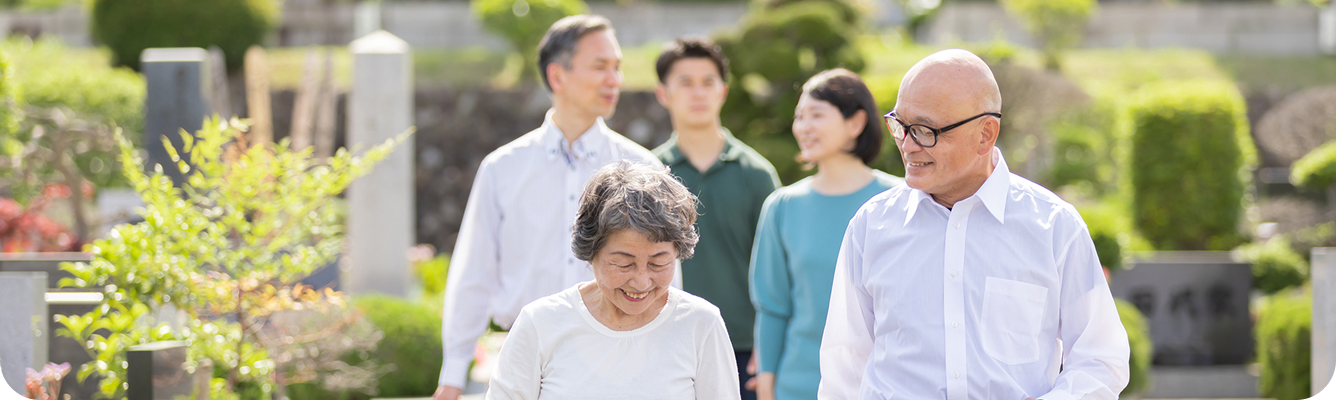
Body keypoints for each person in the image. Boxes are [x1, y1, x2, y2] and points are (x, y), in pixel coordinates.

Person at [818, 49, 1130, 400]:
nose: (906, 144)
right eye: (899, 125)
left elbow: (1102, 358)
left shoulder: (1054, 227)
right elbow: (844, 364)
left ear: (985, 134)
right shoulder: (870, 226)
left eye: (923, 130)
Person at [433, 15, 667, 400]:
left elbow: (664, 277)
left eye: (617, 67)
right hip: (521, 359)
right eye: (600, 66)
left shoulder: (643, 169)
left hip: (619, 360)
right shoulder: (502, 168)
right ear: (557, 76)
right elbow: (474, 273)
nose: (615, 79)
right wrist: (453, 374)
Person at [485, 161, 740, 399]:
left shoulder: (700, 324)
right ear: (591, 253)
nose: (641, 282)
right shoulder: (541, 323)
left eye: (658, 263)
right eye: (623, 264)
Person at [749, 69, 902, 400]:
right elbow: (773, 307)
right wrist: (766, 385)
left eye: (816, 115)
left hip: (883, 386)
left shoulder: (901, 201)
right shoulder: (782, 206)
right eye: (799, 117)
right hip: (799, 387)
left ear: (856, 123)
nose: (803, 127)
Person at [650, 37, 780, 400]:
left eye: (708, 82)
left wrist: (768, 348)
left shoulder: (757, 174)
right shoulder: (648, 172)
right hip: (663, 343)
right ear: (663, 94)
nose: (698, 93)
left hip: (743, 348)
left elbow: (779, 271)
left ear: (723, 91)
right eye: (685, 82)